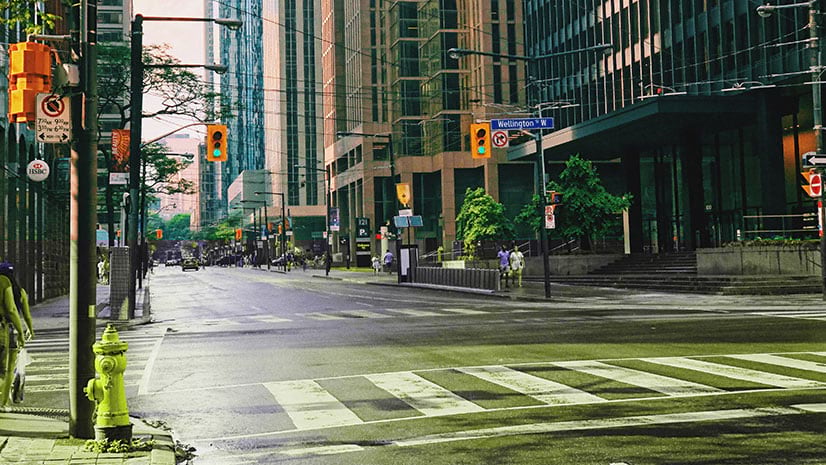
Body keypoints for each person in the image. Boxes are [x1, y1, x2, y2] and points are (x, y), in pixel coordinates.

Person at [0, 261, 33, 407]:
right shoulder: (19, 291)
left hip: (6, 327)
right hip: (9, 329)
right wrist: (27, 330)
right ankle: (3, 403)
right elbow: (23, 314)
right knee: (7, 370)